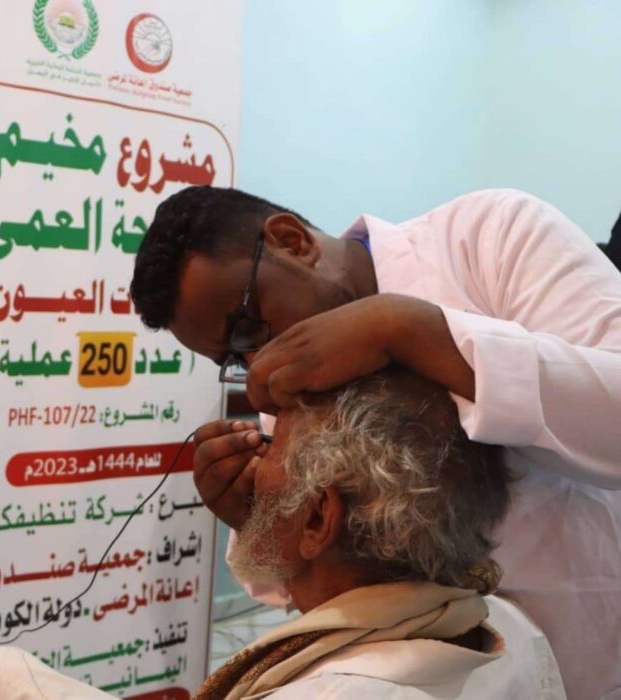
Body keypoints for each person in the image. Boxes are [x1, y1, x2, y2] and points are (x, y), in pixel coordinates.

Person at [130, 186, 621, 700]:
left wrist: (407, 331)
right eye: (232, 359)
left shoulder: (492, 237)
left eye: (246, 326)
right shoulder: (291, 376)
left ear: (292, 241)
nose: (257, 362)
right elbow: (319, 582)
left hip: (593, 653)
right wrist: (259, 524)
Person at [0, 372, 565, 699]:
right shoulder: (514, 629)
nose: (252, 461)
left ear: (318, 520)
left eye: (272, 445)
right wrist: (272, 527)